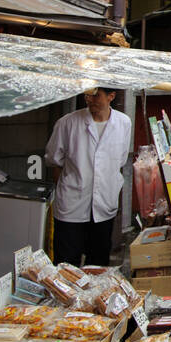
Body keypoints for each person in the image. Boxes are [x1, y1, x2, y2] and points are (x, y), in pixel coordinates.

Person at [45, 86, 132, 267]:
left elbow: (121, 160)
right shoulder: (67, 123)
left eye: (96, 95)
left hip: (104, 203)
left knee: (98, 261)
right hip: (72, 203)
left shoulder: (123, 123)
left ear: (111, 96)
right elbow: (55, 161)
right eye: (87, 95)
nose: (90, 99)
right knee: (67, 262)